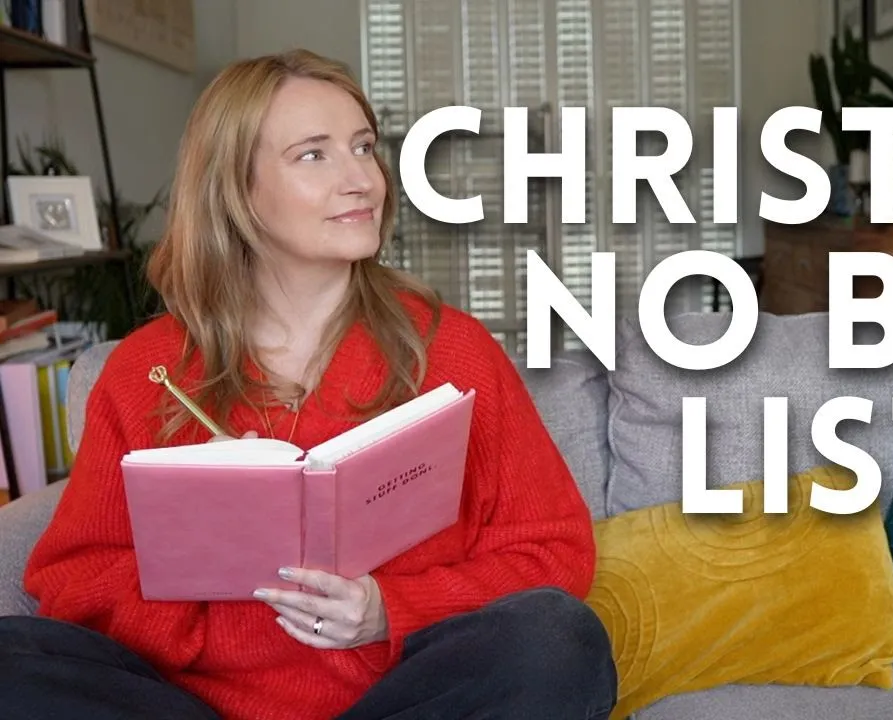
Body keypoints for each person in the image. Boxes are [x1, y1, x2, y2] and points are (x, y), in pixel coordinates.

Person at [0, 49, 618, 720]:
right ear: (236, 189)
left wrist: (388, 609)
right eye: (314, 155)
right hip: (190, 707)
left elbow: (554, 551)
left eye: (364, 147)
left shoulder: (453, 349)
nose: (362, 180)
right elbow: (72, 583)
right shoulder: (146, 371)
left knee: (559, 641)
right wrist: (215, 580)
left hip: (398, 701)